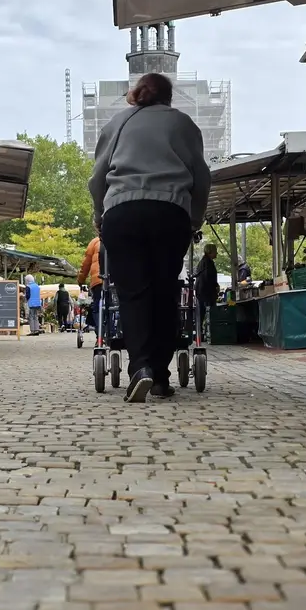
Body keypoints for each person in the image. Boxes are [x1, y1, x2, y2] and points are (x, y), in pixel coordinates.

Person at [89, 71, 210, 403]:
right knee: (164, 292)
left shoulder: (117, 124)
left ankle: (140, 368)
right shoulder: (184, 124)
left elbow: (98, 177)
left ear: (138, 93)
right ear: (169, 98)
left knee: (132, 293)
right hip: (170, 212)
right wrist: (193, 219)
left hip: (123, 212)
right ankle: (160, 376)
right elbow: (201, 177)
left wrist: (101, 217)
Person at [78, 235, 103, 333]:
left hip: (98, 280)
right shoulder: (119, 237)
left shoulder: (94, 242)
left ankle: (100, 335)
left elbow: (86, 265)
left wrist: (81, 280)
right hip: (115, 279)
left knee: (97, 306)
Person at [195, 242, 219, 338]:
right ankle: (207, 333)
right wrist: (215, 286)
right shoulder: (208, 263)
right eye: (215, 251)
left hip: (201, 291)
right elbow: (208, 277)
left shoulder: (202, 262)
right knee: (208, 312)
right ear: (210, 252)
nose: (216, 253)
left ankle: (199, 333)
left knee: (202, 313)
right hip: (206, 292)